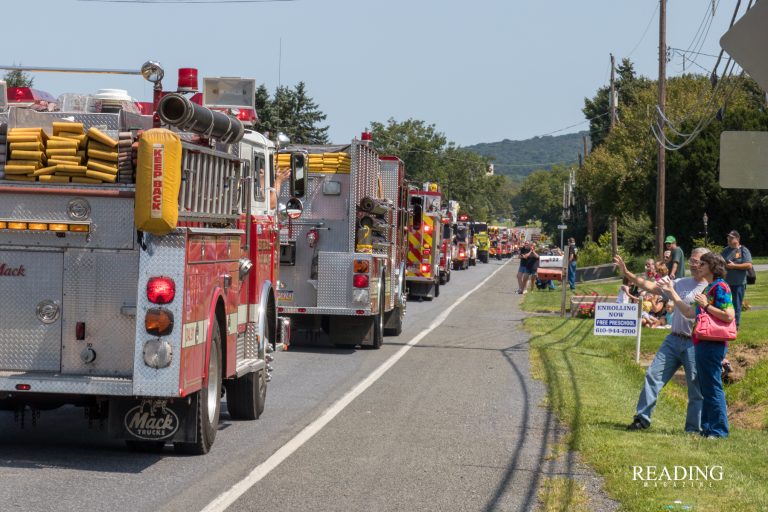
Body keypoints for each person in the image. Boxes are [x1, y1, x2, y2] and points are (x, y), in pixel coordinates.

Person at [614, 248, 710, 433]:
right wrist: (627, 273)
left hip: (694, 343)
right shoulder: (680, 283)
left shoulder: (709, 288)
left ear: (707, 264)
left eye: (698, 261)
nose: (694, 264)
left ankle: (693, 429)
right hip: (673, 340)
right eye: (692, 260)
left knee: (695, 388)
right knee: (653, 375)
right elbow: (651, 286)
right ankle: (642, 419)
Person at [659, 252, 734, 438]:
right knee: (706, 387)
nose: (698, 266)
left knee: (713, 385)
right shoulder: (708, 288)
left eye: (703, 263)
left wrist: (707, 306)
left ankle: (719, 430)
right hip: (701, 342)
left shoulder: (720, 287)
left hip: (712, 344)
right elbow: (688, 312)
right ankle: (707, 428)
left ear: (712, 266)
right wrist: (672, 291)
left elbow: (729, 315)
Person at [721, 230, 753, 328]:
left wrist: (734, 266)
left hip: (738, 284)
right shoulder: (725, 250)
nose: (729, 239)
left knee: (736, 305)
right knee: (724, 305)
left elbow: (748, 265)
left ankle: (735, 326)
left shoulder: (743, 250)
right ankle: (726, 325)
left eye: (731, 237)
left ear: (737, 239)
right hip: (725, 284)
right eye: (728, 237)